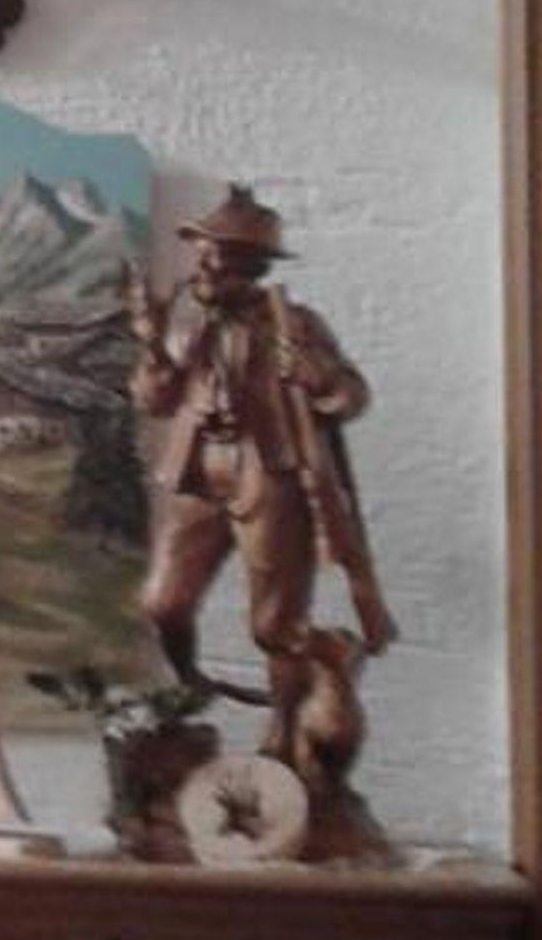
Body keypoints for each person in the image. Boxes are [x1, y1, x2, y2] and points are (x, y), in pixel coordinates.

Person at [126, 185, 397, 778]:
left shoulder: (293, 325)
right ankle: (189, 686)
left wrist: (315, 376)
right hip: (199, 473)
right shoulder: (188, 325)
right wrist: (151, 343)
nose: (202, 265)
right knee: (162, 603)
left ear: (249, 266)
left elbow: (351, 396)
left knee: (274, 626)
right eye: (201, 252)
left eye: (216, 255)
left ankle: (283, 739)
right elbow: (154, 400)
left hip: (269, 475)